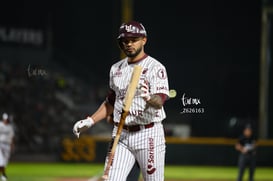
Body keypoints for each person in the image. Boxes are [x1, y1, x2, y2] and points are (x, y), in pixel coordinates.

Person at [73, 20, 169, 181]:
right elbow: (110, 102)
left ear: (144, 40)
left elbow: (160, 100)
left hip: (148, 134)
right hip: (121, 133)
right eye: (125, 41)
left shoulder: (155, 67)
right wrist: (90, 121)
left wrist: (149, 98)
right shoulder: (116, 69)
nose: (129, 44)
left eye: (133, 40)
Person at [0, 113, 15, 181]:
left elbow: (11, 137)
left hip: (7, 145)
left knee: (5, 162)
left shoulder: (10, 127)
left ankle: (3, 174)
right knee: (1, 161)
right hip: (0, 144)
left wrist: (12, 145)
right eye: (6, 119)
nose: (7, 120)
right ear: (3, 118)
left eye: (7, 119)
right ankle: (3, 175)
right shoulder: (0, 125)